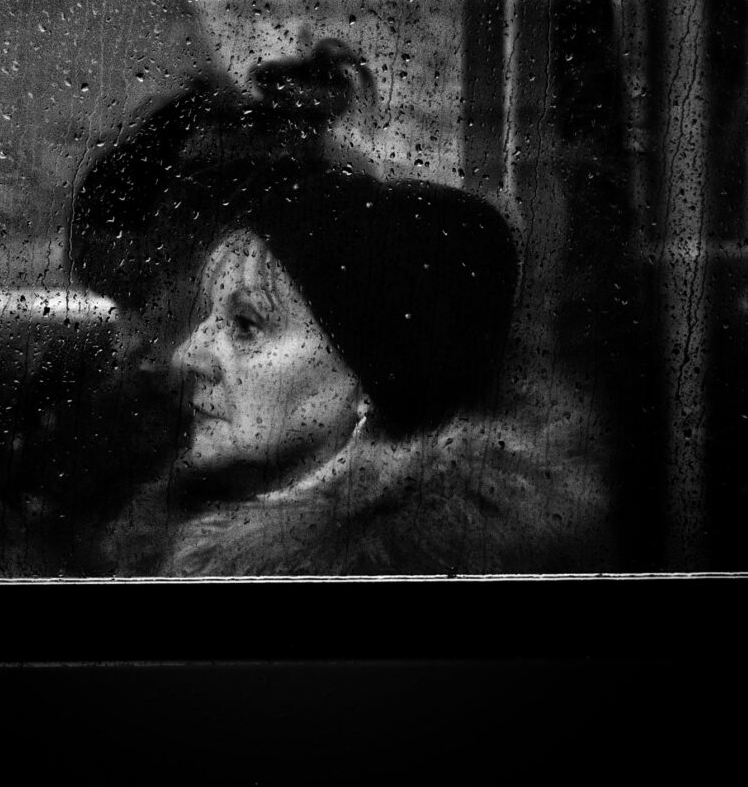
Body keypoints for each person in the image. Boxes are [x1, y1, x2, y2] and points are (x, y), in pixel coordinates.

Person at [99, 159, 618, 576]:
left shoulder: (388, 585)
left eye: (246, 325)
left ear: (374, 379)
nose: (187, 354)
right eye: (209, 317)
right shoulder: (183, 521)